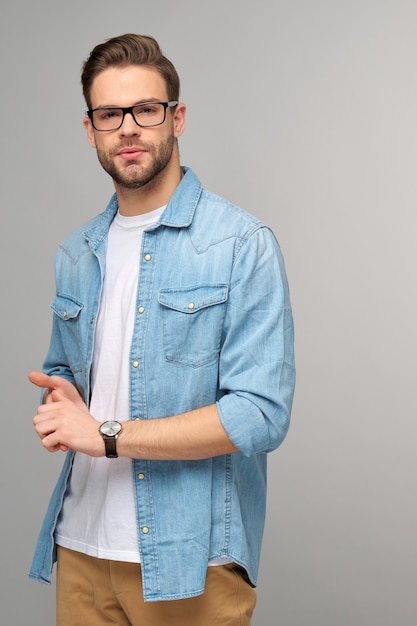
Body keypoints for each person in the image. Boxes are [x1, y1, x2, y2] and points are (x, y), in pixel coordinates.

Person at [28, 33, 295, 626]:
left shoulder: (240, 245)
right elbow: (70, 382)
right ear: (90, 128)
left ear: (176, 118)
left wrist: (109, 434)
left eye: (145, 110)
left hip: (188, 558)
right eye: (109, 114)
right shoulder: (77, 252)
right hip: (80, 550)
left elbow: (260, 413)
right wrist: (61, 402)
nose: (128, 128)